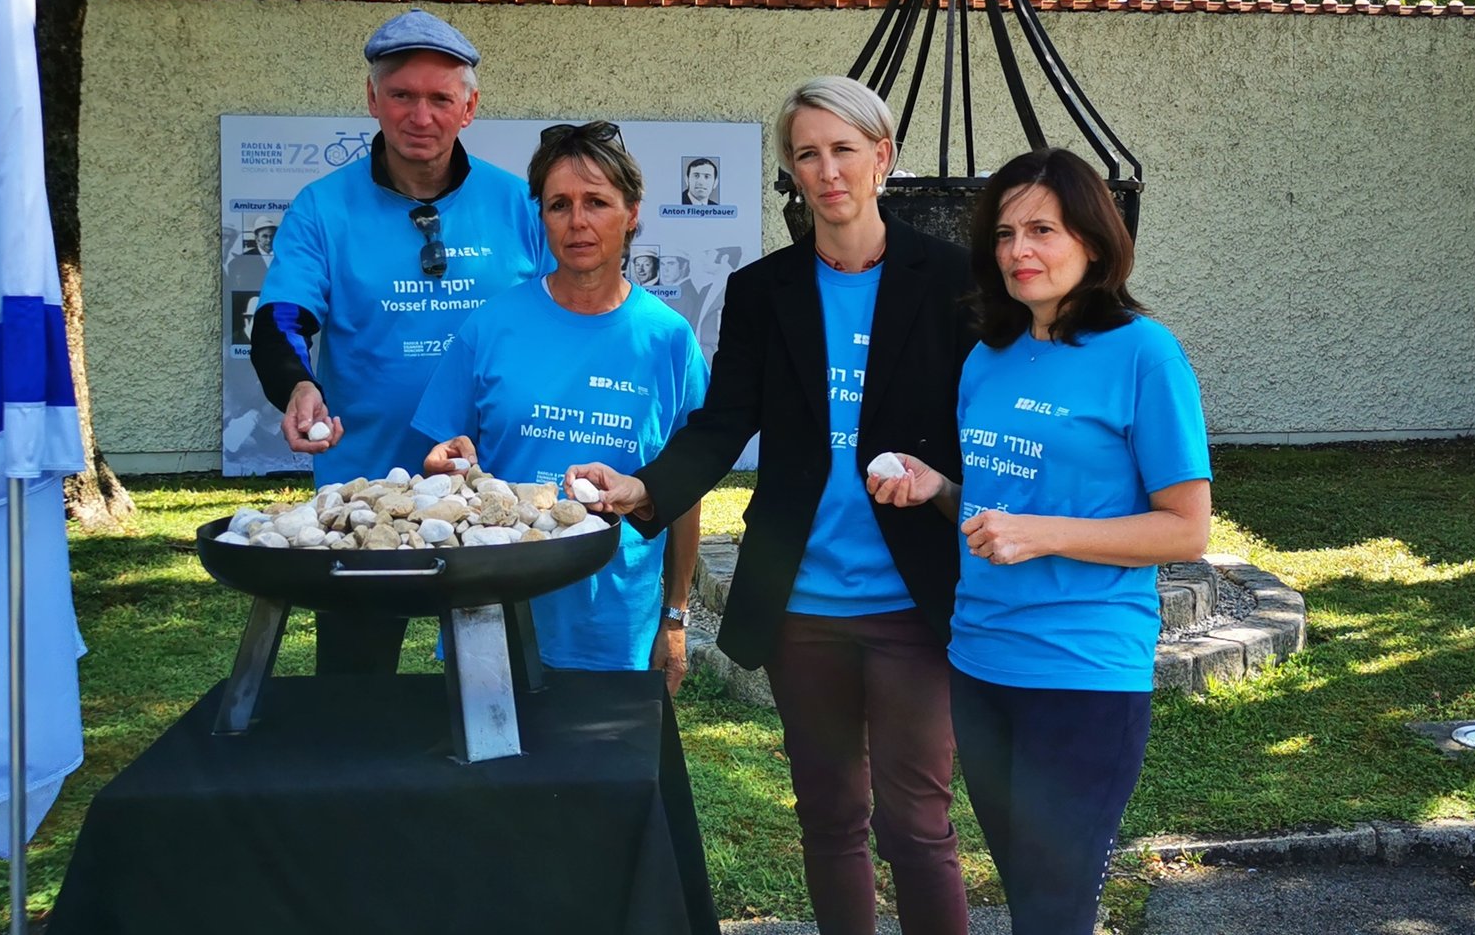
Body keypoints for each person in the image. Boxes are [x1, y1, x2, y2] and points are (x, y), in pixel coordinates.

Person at [572, 77, 977, 935]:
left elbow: (986, 425)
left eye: (843, 149)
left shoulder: (950, 282)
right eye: (806, 154)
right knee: (830, 822)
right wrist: (645, 486)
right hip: (802, 606)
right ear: (791, 170)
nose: (827, 170)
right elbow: (722, 424)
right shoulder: (763, 291)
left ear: (883, 157)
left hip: (915, 600)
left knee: (918, 824)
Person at [865, 147, 1213, 935]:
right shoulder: (989, 356)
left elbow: (1186, 527)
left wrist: (1041, 534)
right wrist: (940, 489)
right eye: (1005, 233)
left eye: (1043, 230)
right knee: (1030, 897)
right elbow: (999, 511)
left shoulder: (1142, 353)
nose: (1020, 250)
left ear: (1093, 239)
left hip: (1084, 672)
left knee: (1055, 907)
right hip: (981, 661)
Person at [250, 9, 547, 675]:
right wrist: (299, 386)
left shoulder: (519, 204)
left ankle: (486, 782)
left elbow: (561, 317)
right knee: (355, 690)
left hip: (491, 485)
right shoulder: (323, 206)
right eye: (402, 95)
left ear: (469, 107)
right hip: (364, 486)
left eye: (441, 98)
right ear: (371, 98)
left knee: (493, 686)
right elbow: (282, 319)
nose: (421, 115)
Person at [411, 122, 707, 691]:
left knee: (611, 779)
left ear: (632, 212)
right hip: (495, 613)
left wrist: (675, 617)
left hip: (617, 625)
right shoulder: (491, 327)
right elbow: (443, 458)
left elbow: (686, 488)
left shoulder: (669, 339)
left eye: (597, 202)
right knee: (486, 776)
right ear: (540, 216)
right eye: (559, 204)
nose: (577, 222)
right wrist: (446, 465)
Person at [224, 215, 276, 292]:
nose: (269, 240)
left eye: (272, 236)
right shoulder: (240, 261)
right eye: (265, 236)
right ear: (257, 238)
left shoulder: (283, 258)